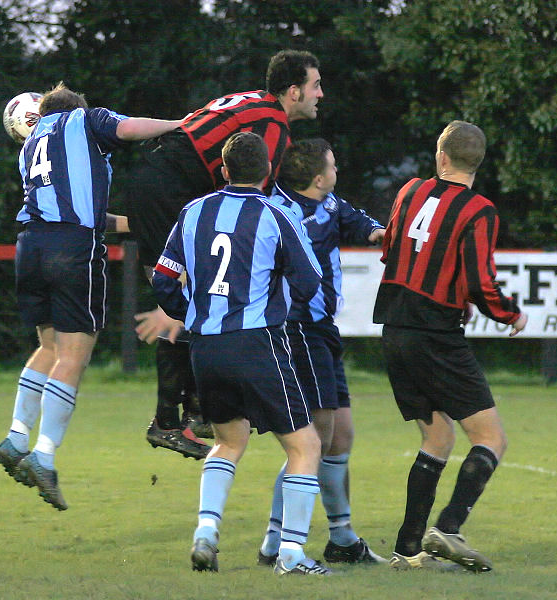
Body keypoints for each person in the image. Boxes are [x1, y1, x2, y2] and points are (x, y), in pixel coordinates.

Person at [0, 82, 184, 510]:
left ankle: (15, 436)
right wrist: (179, 124)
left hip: (31, 246)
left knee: (48, 347)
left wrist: (141, 223)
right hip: (72, 249)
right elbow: (131, 128)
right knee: (73, 356)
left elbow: (93, 213)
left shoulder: (30, 149)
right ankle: (43, 455)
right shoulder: (85, 118)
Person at [126, 49, 324, 460]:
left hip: (157, 182)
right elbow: (251, 202)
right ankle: (172, 417)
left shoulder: (251, 101)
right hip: (169, 190)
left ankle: (192, 408)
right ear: (293, 91)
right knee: (190, 303)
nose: (321, 94)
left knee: (190, 304)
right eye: (315, 85)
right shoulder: (271, 124)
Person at [152, 132, 331, 576]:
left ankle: (206, 533)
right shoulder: (276, 214)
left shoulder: (194, 212)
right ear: (268, 171)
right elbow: (310, 281)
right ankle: (290, 555)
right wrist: (281, 306)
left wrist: (189, 312)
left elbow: (161, 279)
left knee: (228, 443)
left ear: (224, 171)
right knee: (305, 446)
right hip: (258, 344)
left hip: (205, 348)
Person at [372, 120, 528, 571]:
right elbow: (481, 281)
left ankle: (406, 550)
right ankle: (450, 528)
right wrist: (510, 313)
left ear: (441, 157)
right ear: (477, 165)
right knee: (491, 438)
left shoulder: (409, 191)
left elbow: (393, 253)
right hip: (435, 334)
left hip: (395, 327)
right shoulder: (479, 211)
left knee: (437, 437)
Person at [257, 138, 387, 567]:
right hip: (297, 331)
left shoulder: (328, 203)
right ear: (317, 178)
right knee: (315, 439)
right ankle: (275, 542)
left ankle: (342, 537)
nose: (337, 172)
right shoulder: (276, 211)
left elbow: (360, 223)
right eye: (332, 166)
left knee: (340, 436)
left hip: (323, 331)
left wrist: (382, 233)